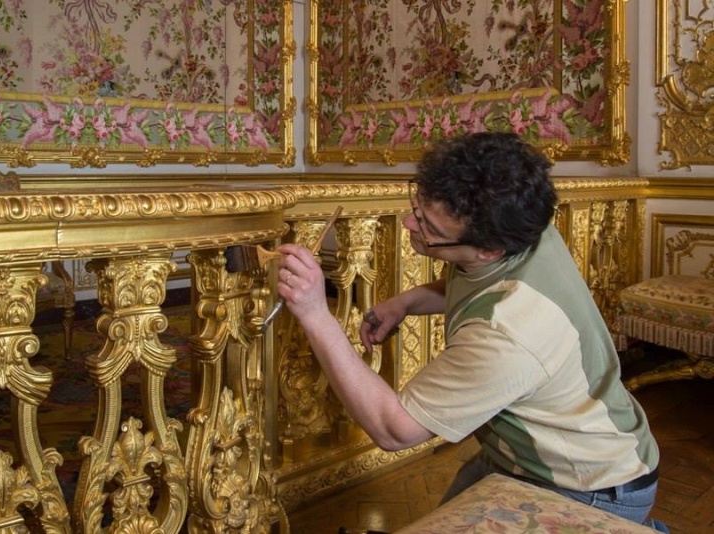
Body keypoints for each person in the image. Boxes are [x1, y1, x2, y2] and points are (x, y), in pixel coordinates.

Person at [275, 132, 668, 530]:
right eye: (417, 206)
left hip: (585, 486)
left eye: (426, 226)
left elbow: (394, 429)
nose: (410, 222)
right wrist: (407, 302)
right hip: (527, 458)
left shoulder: (510, 333)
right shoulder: (526, 228)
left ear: (487, 249)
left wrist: (314, 314)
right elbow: (483, 289)